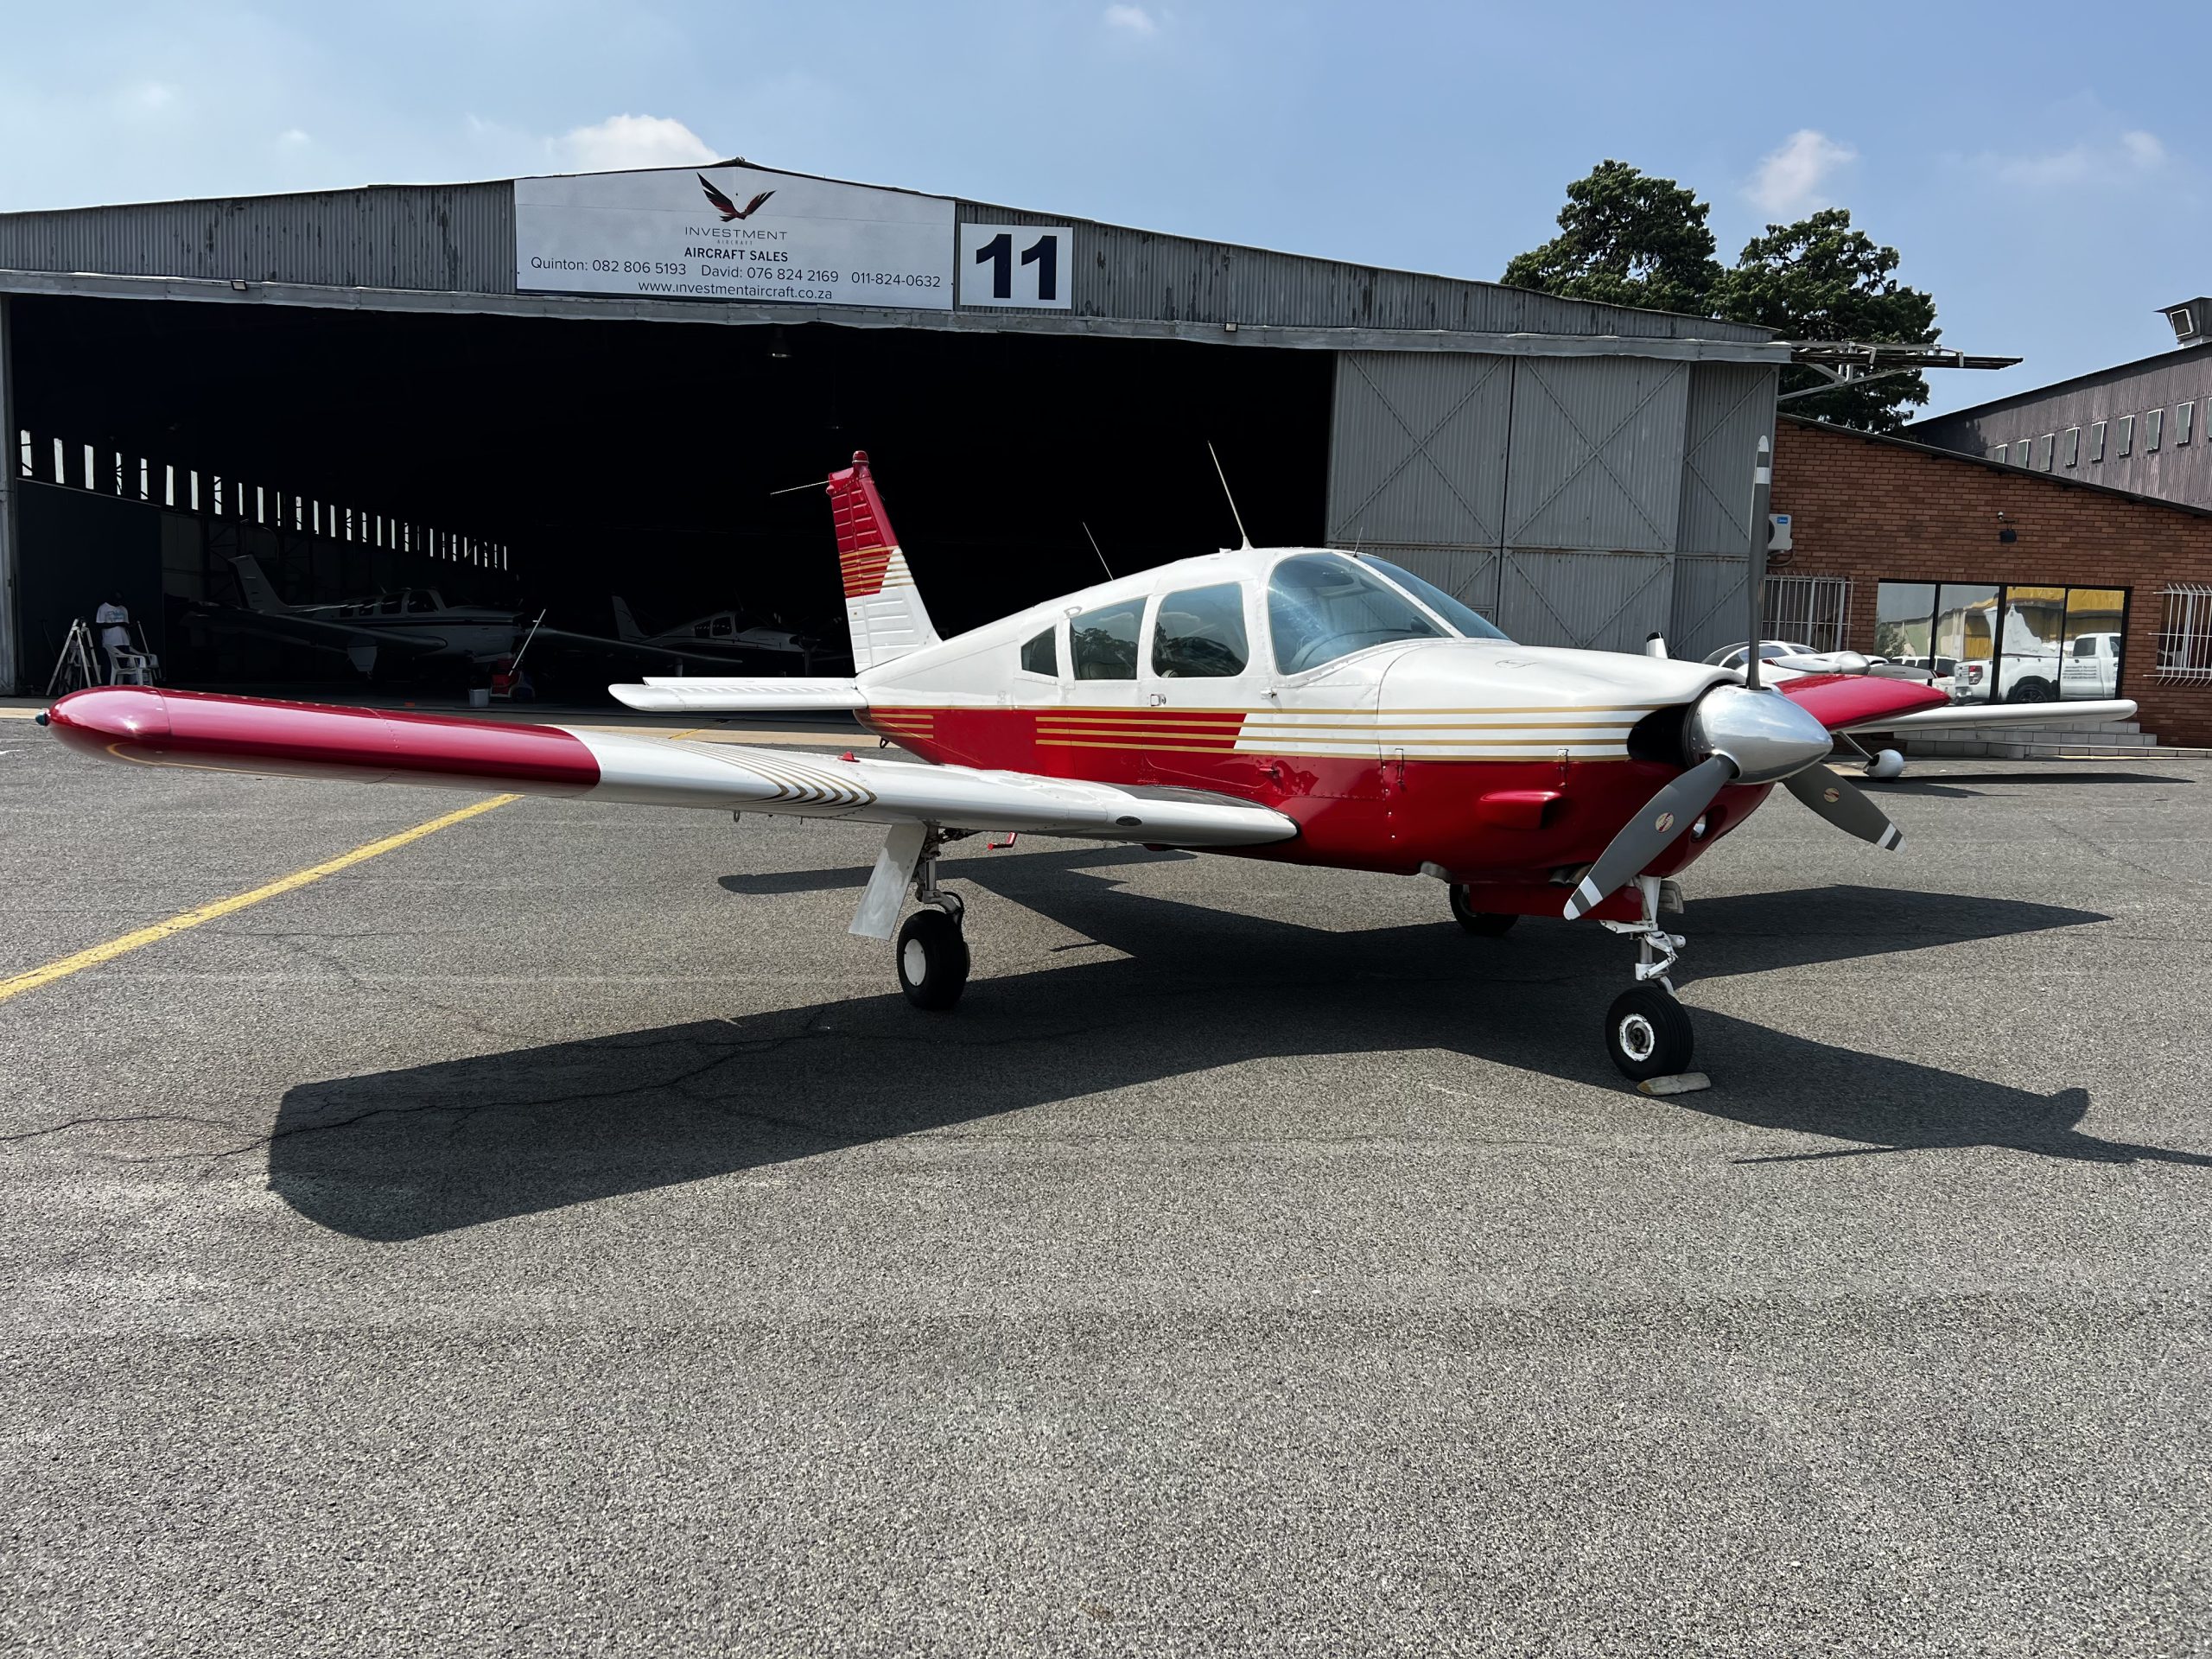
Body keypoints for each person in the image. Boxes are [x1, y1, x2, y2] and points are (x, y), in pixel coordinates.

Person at [95, 593, 132, 683]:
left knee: (123, 666)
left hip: (124, 641)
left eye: (120, 600)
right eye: (117, 599)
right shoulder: (103, 608)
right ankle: (108, 685)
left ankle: (123, 685)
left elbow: (127, 624)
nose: (118, 602)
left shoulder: (123, 609)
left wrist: (125, 625)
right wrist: (117, 623)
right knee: (109, 665)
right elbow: (100, 624)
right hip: (110, 642)